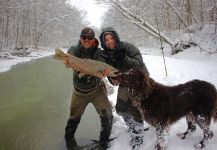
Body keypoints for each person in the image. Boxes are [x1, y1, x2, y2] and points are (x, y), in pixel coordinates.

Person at [99, 27, 150, 149]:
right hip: (125, 81)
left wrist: (124, 58)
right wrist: (112, 80)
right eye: (106, 40)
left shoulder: (128, 47)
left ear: (116, 37)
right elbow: (111, 73)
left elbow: (139, 65)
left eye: (111, 38)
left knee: (134, 107)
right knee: (121, 109)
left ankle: (138, 134)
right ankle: (133, 126)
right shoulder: (106, 54)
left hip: (140, 79)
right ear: (103, 42)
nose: (110, 41)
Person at [64, 27, 113, 150]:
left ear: (93, 39)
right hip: (78, 92)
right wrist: (67, 61)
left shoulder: (99, 52)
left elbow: (102, 65)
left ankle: (103, 144)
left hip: (97, 91)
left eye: (89, 38)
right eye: (83, 37)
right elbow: (68, 59)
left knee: (108, 116)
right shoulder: (74, 49)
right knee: (72, 120)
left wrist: (103, 72)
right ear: (80, 38)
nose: (86, 40)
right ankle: (69, 143)